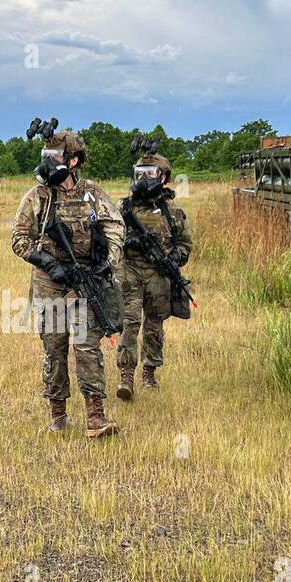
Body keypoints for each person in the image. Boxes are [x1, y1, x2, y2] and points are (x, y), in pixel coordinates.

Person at [10, 127, 124, 437]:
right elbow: (19, 238)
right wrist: (47, 262)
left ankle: (96, 415)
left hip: (85, 279)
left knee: (87, 345)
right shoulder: (37, 196)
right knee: (55, 348)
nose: (49, 162)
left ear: (73, 160)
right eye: (45, 156)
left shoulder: (92, 193)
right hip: (50, 283)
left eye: (55, 157)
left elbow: (115, 226)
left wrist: (106, 261)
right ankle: (58, 415)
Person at [115, 149, 192, 399]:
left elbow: (184, 244)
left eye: (150, 173)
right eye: (140, 173)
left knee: (154, 324)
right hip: (130, 271)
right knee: (129, 322)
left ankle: (150, 370)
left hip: (159, 275)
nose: (144, 178)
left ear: (163, 177)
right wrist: (129, 241)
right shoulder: (123, 207)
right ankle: (126, 375)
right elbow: (110, 237)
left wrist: (173, 259)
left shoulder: (173, 212)